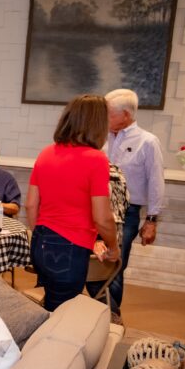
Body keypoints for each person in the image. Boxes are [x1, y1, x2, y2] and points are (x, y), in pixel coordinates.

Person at [26, 94, 120, 312]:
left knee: (51, 306)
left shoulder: (46, 153)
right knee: (62, 316)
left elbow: (31, 204)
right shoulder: (96, 159)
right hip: (69, 248)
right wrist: (113, 247)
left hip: (41, 242)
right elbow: (102, 218)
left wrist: (43, 233)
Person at [104, 89, 165, 312]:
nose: (105, 118)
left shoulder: (148, 142)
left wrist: (151, 220)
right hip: (97, 208)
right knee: (93, 261)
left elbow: (156, 182)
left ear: (126, 115)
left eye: (109, 114)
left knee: (115, 263)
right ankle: (91, 309)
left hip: (127, 213)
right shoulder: (102, 136)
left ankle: (112, 314)